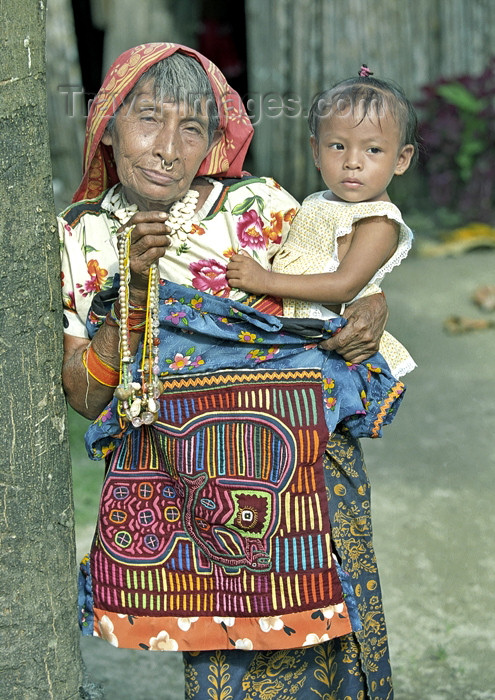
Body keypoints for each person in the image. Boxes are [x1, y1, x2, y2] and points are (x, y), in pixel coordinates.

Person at [60, 43, 394, 699]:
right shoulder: (80, 236)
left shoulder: (257, 205)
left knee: (342, 629)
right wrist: (128, 290)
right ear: (107, 126)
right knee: (227, 671)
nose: (166, 148)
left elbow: (345, 269)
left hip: (303, 462)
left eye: (192, 128)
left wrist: (371, 299)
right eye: (148, 119)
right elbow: (83, 392)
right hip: (190, 483)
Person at [227, 66, 418, 379]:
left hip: (331, 346)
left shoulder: (378, 221)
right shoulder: (321, 200)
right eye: (338, 146)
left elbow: (345, 286)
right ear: (316, 150)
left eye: (373, 149)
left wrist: (265, 281)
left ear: (401, 159)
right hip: (297, 329)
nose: (352, 161)